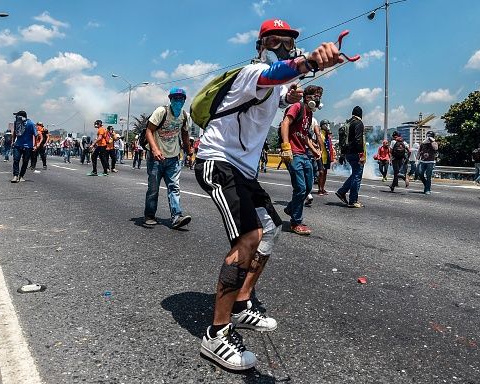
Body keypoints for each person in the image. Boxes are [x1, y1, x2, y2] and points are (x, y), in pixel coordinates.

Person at [194, 18, 342, 370]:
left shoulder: (273, 85)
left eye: (289, 42)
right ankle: (216, 334)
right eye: (276, 41)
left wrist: (288, 93)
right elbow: (275, 75)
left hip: (243, 171)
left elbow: (274, 93)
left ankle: (242, 304)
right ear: (262, 45)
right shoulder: (253, 72)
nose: (284, 47)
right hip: (219, 162)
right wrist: (311, 62)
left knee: (270, 230)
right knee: (248, 237)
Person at [144, 87, 193, 228]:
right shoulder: (161, 111)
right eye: (175, 98)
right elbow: (149, 130)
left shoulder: (185, 116)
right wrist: (155, 149)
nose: (178, 101)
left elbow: (185, 135)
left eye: (181, 99)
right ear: (170, 99)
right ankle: (149, 215)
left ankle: (177, 217)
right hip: (156, 158)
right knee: (153, 188)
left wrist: (189, 153)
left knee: (174, 187)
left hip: (173, 157)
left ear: (184, 100)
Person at [281, 85, 323, 234]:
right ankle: (296, 222)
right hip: (293, 153)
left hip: (304, 154)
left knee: (309, 186)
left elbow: (303, 135)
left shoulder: (309, 114)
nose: (318, 100)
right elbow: (285, 123)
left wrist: (314, 149)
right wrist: (286, 147)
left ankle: (291, 208)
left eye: (320, 97)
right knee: (300, 188)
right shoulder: (297, 107)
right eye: (316, 96)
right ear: (308, 97)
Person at [335, 106, 366, 208]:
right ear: (360, 114)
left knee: (354, 175)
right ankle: (353, 200)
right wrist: (361, 154)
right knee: (357, 176)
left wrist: (342, 155)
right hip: (356, 153)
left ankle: (342, 191)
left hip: (348, 154)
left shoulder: (348, 123)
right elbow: (358, 140)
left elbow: (344, 140)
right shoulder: (358, 123)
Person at [10, 110, 37, 183]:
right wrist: (13, 142)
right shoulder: (17, 123)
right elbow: (15, 132)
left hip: (28, 146)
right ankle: (15, 175)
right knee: (16, 160)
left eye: (17, 116)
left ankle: (21, 176)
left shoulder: (31, 124)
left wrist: (35, 145)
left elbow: (35, 135)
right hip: (18, 145)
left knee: (25, 161)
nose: (16, 117)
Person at [417, 131, 438, 195]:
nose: (428, 137)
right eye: (428, 136)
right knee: (420, 173)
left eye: (430, 136)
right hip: (423, 161)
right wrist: (417, 159)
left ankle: (427, 189)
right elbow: (419, 151)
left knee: (428, 176)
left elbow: (435, 148)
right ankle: (426, 184)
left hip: (430, 161)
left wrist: (432, 141)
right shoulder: (423, 143)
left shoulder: (434, 143)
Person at [317, 119, 335, 195]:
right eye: (326, 124)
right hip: (321, 155)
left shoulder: (327, 135)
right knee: (321, 172)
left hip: (326, 156)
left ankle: (323, 188)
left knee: (325, 173)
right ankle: (319, 189)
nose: (327, 126)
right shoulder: (320, 134)